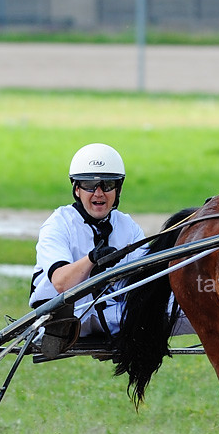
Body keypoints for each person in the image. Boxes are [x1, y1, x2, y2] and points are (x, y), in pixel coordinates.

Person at [29, 143, 147, 338]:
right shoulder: (58, 223)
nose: (99, 193)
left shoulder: (128, 226)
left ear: (118, 189)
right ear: (77, 189)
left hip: (112, 314)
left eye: (107, 185)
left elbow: (146, 280)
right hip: (61, 317)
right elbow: (61, 283)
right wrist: (93, 259)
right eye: (90, 185)